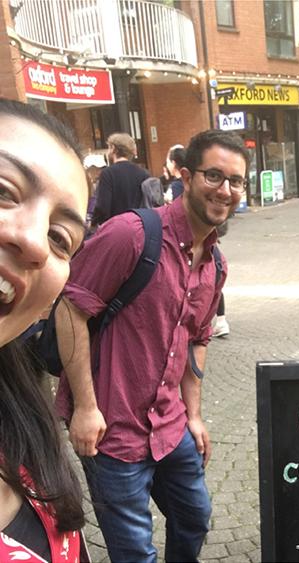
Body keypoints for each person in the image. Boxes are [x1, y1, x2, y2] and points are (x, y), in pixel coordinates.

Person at [54, 129, 248, 562]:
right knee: (134, 553)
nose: (226, 190)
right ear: (184, 176)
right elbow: (70, 310)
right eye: (214, 176)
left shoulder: (215, 263)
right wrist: (85, 407)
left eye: (236, 181)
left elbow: (198, 339)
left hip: (170, 424)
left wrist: (193, 415)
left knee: (195, 516)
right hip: (113, 429)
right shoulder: (132, 234)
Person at [0, 99, 88, 562]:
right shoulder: (135, 237)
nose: (34, 240)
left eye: (60, 238)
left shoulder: (20, 422)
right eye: (3, 190)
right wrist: (90, 405)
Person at [90, 132, 150, 228]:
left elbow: (103, 207)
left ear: (113, 148)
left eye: (108, 147)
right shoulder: (144, 173)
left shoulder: (108, 174)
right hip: (140, 227)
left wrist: (93, 223)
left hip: (116, 228)